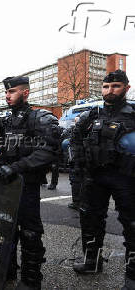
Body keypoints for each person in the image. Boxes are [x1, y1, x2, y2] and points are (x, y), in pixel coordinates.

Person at [71, 70, 135, 289]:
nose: (110, 91)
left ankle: (133, 274)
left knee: (132, 224)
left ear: (126, 88)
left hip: (126, 177)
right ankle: (92, 261)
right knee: (89, 220)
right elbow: (75, 138)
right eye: (106, 87)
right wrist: (79, 162)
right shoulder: (93, 114)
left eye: (116, 86)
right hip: (94, 176)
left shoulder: (133, 113)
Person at [0, 76, 60, 289]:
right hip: (7, 185)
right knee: (6, 229)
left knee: (30, 232)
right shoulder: (5, 120)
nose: (7, 96)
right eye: (6, 92)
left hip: (27, 185)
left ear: (25, 92)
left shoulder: (40, 118)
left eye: (12, 91)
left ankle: (31, 280)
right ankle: (8, 270)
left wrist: (16, 167)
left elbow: (48, 150)